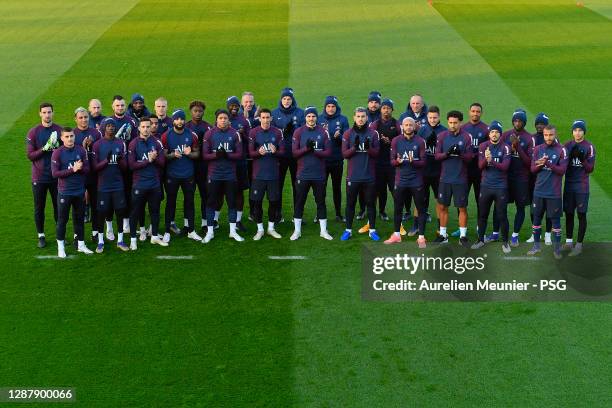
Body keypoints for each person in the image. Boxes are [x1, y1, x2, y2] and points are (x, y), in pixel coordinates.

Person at [201, 109, 244, 243]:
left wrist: (227, 155)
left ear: (228, 120)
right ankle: (210, 232)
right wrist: (216, 155)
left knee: (232, 202)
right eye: (220, 118)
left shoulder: (235, 134)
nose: (223, 120)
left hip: (230, 175)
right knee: (211, 202)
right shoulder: (209, 134)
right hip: (214, 174)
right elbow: (204, 155)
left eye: (225, 118)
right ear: (216, 119)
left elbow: (239, 154)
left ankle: (232, 231)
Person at [290, 107, 333, 241]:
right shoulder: (298, 132)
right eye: (309, 116)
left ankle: (323, 231)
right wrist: (305, 149)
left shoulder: (323, 132)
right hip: (303, 174)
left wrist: (314, 151)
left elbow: (328, 153)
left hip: (319, 174)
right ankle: (297, 231)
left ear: (316, 118)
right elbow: (294, 153)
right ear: (305, 118)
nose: (311, 118)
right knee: (299, 202)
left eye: (313, 116)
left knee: (320, 202)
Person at [384, 117, 427, 247]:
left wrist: (412, 161)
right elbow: (391, 161)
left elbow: (423, 162)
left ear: (414, 127)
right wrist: (398, 162)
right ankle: (396, 235)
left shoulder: (420, 141)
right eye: (406, 125)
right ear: (402, 127)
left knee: (420, 209)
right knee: (398, 208)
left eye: (410, 125)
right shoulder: (396, 141)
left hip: (416, 181)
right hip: (401, 180)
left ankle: (421, 237)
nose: (408, 127)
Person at [470, 121, 511, 253]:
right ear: (489, 133)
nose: (494, 134)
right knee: (482, 215)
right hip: (486, 186)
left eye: (497, 132)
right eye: (492, 132)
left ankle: (505, 242)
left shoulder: (505, 147)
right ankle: (480, 239)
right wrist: (485, 160)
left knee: (502, 215)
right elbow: (480, 167)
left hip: (500, 187)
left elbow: (505, 167)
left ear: (500, 134)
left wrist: (491, 160)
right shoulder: (483, 146)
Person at [51, 127, 92, 257]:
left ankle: (81, 244)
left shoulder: (81, 150)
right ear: (62, 138)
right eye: (67, 137)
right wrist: (73, 169)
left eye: (71, 136)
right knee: (62, 220)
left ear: (74, 137)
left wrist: (80, 168)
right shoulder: (57, 153)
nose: (70, 139)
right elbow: (55, 173)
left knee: (79, 219)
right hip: (64, 192)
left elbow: (87, 170)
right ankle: (61, 248)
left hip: (79, 191)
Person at [161, 109, 201, 242]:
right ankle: (167, 230)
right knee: (170, 202)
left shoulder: (192, 135)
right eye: (177, 119)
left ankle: (191, 230)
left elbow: (197, 154)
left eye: (182, 119)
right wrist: (172, 155)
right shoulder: (166, 136)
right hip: (172, 175)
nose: (180, 121)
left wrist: (189, 153)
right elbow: (164, 156)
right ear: (173, 120)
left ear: (184, 120)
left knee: (189, 202)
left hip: (188, 174)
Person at [528, 125, 568, 258]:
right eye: (546, 135)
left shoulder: (562, 150)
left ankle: (556, 250)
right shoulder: (538, 149)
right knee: (536, 220)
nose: (548, 137)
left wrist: (547, 164)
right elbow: (532, 170)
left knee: (555, 222)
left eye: (550, 135)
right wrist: (540, 164)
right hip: (539, 191)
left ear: (555, 134)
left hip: (554, 193)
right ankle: (536, 246)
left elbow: (562, 171)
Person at [127, 116, 167, 250]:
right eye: (143, 127)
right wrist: (148, 161)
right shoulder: (133, 144)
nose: (145, 129)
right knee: (135, 212)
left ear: (151, 127)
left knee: (155, 211)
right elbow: (131, 165)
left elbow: (162, 163)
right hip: (139, 184)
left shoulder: (157, 142)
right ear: (138, 128)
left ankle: (154, 236)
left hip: (154, 184)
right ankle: (133, 239)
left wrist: (154, 159)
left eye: (148, 126)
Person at [341, 107, 380, 241]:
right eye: (358, 116)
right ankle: (348, 230)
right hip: (353, 176)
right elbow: (344, 154)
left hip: (369, 176)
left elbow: (377, 154)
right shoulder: (347, 134)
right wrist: (354, 148)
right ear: (354, 118)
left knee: (370, 204)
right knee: (350, 204)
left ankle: (372, 230)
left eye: (363, 116)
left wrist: (368, 149)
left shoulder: (373, 134)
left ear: (366, 118)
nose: (361, 119)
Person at [434, 110, 473, 246]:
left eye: (455, 123)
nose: (452, 125)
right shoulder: (442, 136)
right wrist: (447, 153)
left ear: (460, 123)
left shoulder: (467, 137)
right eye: (450, 123)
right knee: (443, 207)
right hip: (445, 179)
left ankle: (463, 236)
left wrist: (460, 153)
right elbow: (437, 156)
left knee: (462, 208)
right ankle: (443, 235)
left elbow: (470, 158)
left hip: (460, 179)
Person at [27, 102, 63, 248]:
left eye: (49, 112)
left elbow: (65, 149)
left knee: (58, 208)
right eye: (44, 112)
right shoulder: (34, 132)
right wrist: (45, 148)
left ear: (53, 113)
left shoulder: (59, 130)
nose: (47, 115)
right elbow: (30, 155)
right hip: (39, 177)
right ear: (40, 114)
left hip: (56, 176)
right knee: (39, 208)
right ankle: (41, 236)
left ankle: (59, 235)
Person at [92, 117, 129, 252]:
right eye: (108, 126)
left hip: (118, 185)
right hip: (103, 185)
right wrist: (106, 161)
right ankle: (101, 241)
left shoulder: (121, 143)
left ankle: (120, 240)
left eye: (113, 126)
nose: (111, 128)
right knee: (102, 213)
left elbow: (126, 168)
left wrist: (119, 161)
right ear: (103, 128)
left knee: (120, 211)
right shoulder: (97, 145)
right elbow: (94, 168)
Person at [451, 102, 488, 238]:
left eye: (478, 111)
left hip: (480, 172)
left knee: (480, 201)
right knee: (461, 200)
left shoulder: (486, 129)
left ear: (481, 113)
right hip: (464, 171)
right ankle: (461, 228)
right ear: (469, 112)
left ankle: (480, 227)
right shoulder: (463, 128)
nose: (475, 114)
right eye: (473, 111)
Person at [410, 105, 446, 236]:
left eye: (435, 117)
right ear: (427, 117)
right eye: (430, 117)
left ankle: (439, 228)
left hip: (438, 173)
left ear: (439, 117)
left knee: (439, 201)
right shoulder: (422, 130)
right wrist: (425, 142)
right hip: (423, 172)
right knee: (419, 200)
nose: (432, 120)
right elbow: (415, 147)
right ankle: (416, 226)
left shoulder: (444, 131)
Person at [248, 108, 284, 239]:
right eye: (263, 117)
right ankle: (260, 229)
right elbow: (250, 153)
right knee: (257, 202)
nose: (265, 120)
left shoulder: (278, 132)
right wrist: (259, 152)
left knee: (273, 202)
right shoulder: (253, 132)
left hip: (273, 174)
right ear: (259, 119)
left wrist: (276, 151)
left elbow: (283, 152)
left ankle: (271, 228)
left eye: (268, 117)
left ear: (271, 118)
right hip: (258, 175)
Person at [501, 109, 534, 247]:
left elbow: (529, 162)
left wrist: (517, 147)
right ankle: (499, 232)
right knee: (501, 206)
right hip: (506, 177)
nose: (517, 123)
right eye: (515, 120)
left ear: (524, 122)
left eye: (520, 121)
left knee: (520, 207)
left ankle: (515, 235)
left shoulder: (529, 138)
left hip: (521, 179)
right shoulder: (506, 135)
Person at [562, 120, 595, 256]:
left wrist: (582, 159)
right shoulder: (567, 146)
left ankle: (579, 244)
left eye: (580, 130)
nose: (577, 132)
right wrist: (568, 157)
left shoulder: (589, 147)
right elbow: (562, 167)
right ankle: (569, 242)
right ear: (572, 132)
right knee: (569, 214)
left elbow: (590, 169)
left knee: (581, 214)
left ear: (584, 132)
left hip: (582, 187)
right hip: (569, 185)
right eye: (575, 130)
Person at [271, 88, 305, 222]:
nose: (286, 101)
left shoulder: (300, 113)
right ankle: (278, 214)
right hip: (280, 156)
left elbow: (304, 131)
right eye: (284, 99)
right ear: (281, 99)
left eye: (289, 99)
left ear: (292, 100)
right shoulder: (274, 113)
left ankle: (297, 215)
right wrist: (283, 131)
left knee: (297, 186)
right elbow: (271, 132)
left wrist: (295, 130)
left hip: (296, 156)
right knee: (278, 185)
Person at [369, 98, 401, 223]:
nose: (386, 110)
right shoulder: (375, 125)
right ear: (380, 110)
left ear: (392, 110)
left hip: (392, 163)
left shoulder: (397, 124)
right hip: (378, 162)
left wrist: (391, 142)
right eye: (384, 108)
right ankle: (381, 212)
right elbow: (370, 140)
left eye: (388, 108)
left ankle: (399, 213)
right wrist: (379, 141)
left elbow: (401, 141)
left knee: (395, 189)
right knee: (380, 189)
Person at [318, 95, 349, 223]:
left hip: (337, 160)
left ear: (337, 107)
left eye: (333, 106)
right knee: (321, 188)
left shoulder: (343, 119)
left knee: (337, 188)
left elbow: (347, 140)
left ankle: (338, 213)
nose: (331, 109)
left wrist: (339, 137)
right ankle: (320, 214)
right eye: (328, 106)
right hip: (322, 161)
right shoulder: (319, 119)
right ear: (325, 107)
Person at [110, 95, 139, 234]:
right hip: (112, 163)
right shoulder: (108, 122)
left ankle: (126, 222)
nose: (120, 107)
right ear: (113, 106)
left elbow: (135, 141)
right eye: (117, 105)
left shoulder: (132, 121)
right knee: (113, 193)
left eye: (122, 105)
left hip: (128, 163)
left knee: (128, 191)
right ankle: (110, 226)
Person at [73, 107, 101, 241]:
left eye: (86, 117)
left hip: (94, 175)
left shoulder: (96, 133)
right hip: (78, 177)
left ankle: (95, 232)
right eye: (81, 117)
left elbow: (101, 151)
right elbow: (69, 155)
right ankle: (77, 234)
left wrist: (92, 145)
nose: (84, 120)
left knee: (96, 205)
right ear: (76, 119)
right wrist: (83, 148)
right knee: (78, 207)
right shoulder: (72, 134)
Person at [525, 112, 553, 244]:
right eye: (538, 124)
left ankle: (548, 234)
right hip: (533, 178)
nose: (540, 126)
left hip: (548, 179)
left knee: (548, 208)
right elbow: (530, 159)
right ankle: (535, 233)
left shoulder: (554, 140)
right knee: (534, 207)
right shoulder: (532, 139)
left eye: (542, 124)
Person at [185, 100, 212, 233]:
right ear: (191, 111)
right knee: (188, 196)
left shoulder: (208, 127)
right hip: (189, 166)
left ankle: (205, 222)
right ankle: (187, 224)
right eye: (195, 111)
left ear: (203, 112)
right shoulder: (186, 127)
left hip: (204, 167)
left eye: (200, 111)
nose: (197, 113)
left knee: (205, 195)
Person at [227, 96, 251, 232]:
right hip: (226, 163)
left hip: (241, 162)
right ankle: (216, 220)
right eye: (231, 105)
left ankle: (238, 220)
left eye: (236, 105)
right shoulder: (222, 119)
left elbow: (251, 140)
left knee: (240, 192)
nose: (234, 107)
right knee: (222, 192)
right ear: (227, 106)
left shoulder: (244, 120)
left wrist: (243, 135)